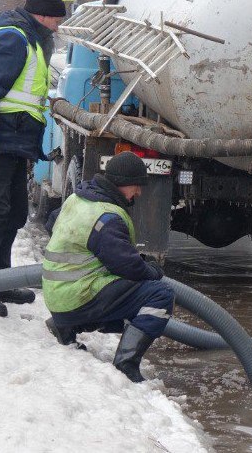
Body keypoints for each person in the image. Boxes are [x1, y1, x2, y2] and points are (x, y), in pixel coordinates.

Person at [0, 0, 67, 318]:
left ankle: (2, 280)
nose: (58, 26)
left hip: (16, 141)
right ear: (41, 16)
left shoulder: (32, 39)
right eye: (56, 20)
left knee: (14, 213)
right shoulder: (14, 38)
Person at [41, 151, 175, 383]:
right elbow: (131, 268)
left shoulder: (78, 199)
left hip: (57, 294)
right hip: (76, 297)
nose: (139, 192)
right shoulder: (107, 217)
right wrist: (153, 270)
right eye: (137, 185)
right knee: (160, 295)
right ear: (123, 183)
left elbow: (51, 223)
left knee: (126, 297)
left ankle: (65, 326)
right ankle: (126, 364)